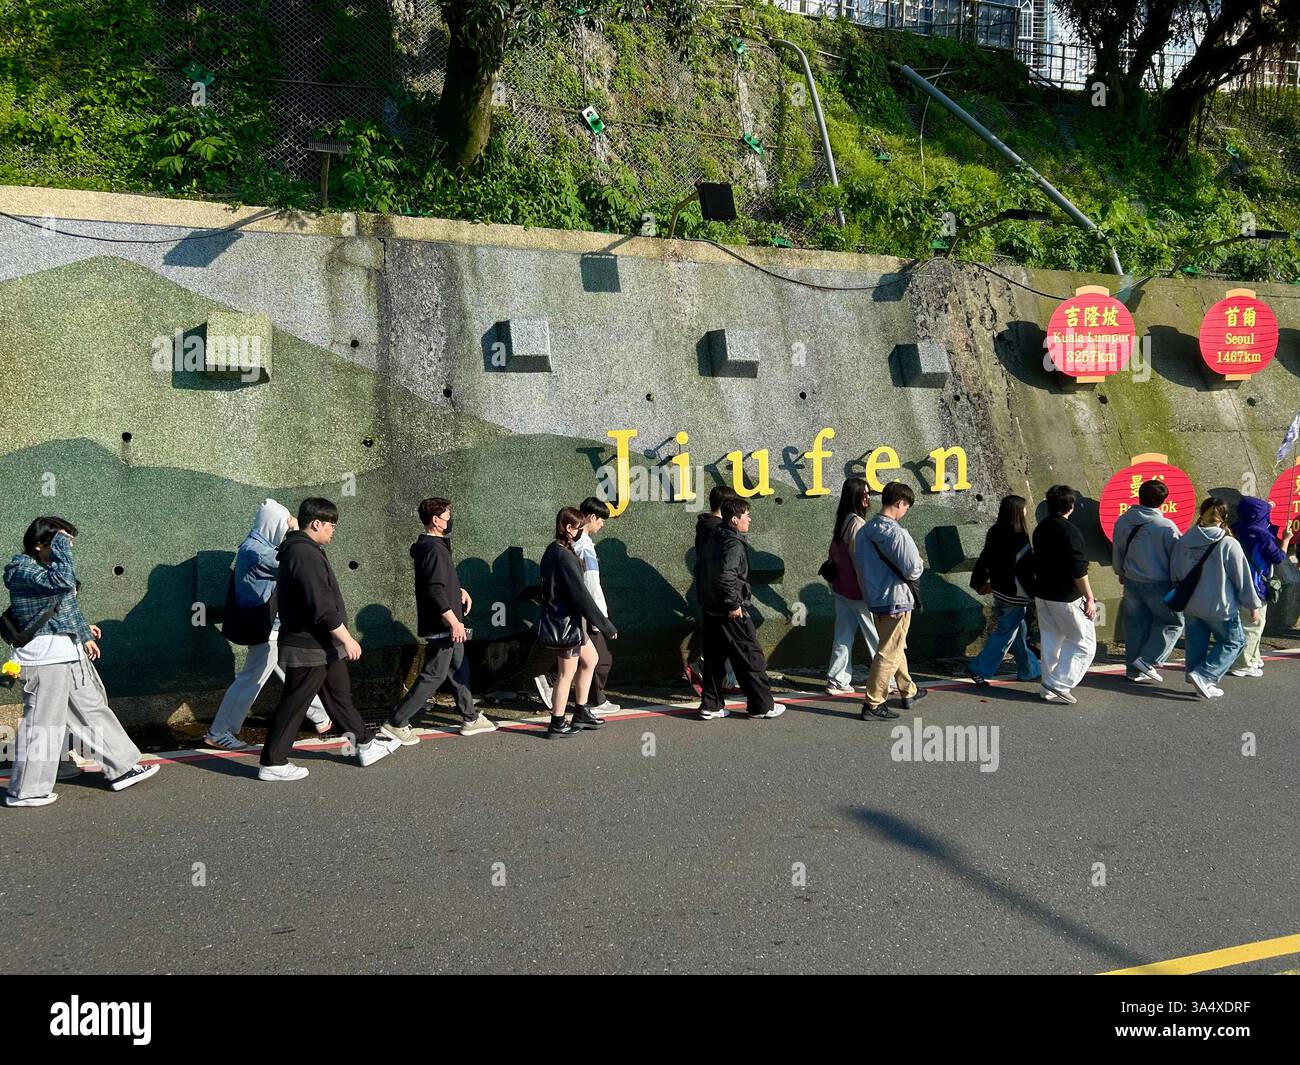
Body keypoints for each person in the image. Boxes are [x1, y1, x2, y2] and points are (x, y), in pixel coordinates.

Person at [3, 517, 159, 806]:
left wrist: (84, 632)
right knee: (43, 722)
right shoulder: (21, 568)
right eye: (61, 542)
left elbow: (67, 606)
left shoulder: (48, 567)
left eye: (69, 541)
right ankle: (26, 790)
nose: (68, 547)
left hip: (65, 652)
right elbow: (62, 583)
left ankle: (123, 767)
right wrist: (63, 546)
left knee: (91, 707)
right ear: (38, 544)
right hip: (44, 658)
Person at [258, 498, 401, 780]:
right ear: (316, 523)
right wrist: (347, 639)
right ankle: (272, 762)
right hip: (309, 645)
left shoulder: (304, 550)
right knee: (296, 701)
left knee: (338, 695)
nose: (334, 530)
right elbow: (321, 605)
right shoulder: (304, 553)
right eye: (332, 525)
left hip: (321, 644)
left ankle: (365, 743)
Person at [205, 500, 332, 750]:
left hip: (269, 624)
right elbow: (295, 563)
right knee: (251, 678)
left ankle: (321, 716)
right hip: (263, 625)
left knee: (289, 670)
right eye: (283, 526)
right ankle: (220, 731)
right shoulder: (257, 551)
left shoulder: (258, 544)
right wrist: (299, 531)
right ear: (272, 525)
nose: (286, 532)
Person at [380, 497, 496, 747]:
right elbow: (433, 589)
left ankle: (470, 718)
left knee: (458, 669)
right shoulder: (432, 549)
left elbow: (441, 583)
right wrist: (453, 621)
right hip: (443, 624)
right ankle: (397, 722)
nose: (450, 519)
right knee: (434, 674)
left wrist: (458, 590)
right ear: (435, 520)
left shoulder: (435, 546)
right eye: (447, 515)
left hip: (447, 622)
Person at [697, 499, 785, 720]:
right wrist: (733, 604)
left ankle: (711, 704)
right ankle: (762, 706)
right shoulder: (733, 543)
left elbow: (706, 572)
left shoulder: (713, 538)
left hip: (711, 609)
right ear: (734, 519)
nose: (749, 519)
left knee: (715, 658)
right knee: (750, 655)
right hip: (730, 611)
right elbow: (726, 576)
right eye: (746, 515)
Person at [538, 507, 618, 738]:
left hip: (567, 619)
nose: (583, 533)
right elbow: (581, 594)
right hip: (566, 622)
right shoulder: (563, 556)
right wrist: (604, 624)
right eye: (579, 529)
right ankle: (557, 723)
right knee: (566, 674)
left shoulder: (554, 550)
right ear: (569, 529)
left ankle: (581, 712)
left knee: (591, 659)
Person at [1171, 497, 1259, 699]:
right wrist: (1252, 604)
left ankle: (1199, 680)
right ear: (1224, 518)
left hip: (1191, 604)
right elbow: (1242, 578)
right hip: (1220, 606)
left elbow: (1174, 573)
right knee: (1234, 642)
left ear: (1200, 513)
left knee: (1196, 643)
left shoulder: (1184, 540)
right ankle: (1204, 675)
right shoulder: (1228, 543)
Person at [856, 481, 927, 720]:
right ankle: (874, 703)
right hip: (897, 597)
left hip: (876, 598)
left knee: (894, 646)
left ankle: (908, 691)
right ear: (900, 503)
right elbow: (912, 570)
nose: (906, 511)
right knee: (888, 651)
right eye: (907, 507)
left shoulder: (865, 531)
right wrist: (920, 565)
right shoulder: (897, 533)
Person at [1112, 479, 1183, 685]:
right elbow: (1177, 557)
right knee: (1173, 622)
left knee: (1135, 625)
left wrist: (1120, 571)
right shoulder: (1166, 526)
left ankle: (1133, 671)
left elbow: (1117, 549)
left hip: (1131, 580)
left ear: (1139, 495)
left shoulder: (1123, 520)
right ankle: (1148, 659)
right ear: (1163, 502)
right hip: (1159, 583)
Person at [1031, 484, 1097, 703]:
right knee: (1084, 643)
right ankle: (1059, 684)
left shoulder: (1041, 528)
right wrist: (1089, 597)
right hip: (1066, 596)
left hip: (1043, 593)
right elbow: (1079, 569)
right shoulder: (1070, 531)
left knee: (1052, 640)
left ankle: (1047, 687)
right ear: (1070, 506)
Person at [967, 494, 1041, 685]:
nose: (1026, 511)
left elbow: (985, 558)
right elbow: (1026, 571)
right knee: (1006, 633)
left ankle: (1029, 669)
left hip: (999, 590)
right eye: (1023, 508)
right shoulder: (1020, 538)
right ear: (1018, 511)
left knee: (1017, 631)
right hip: (1015, 594)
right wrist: (1035, 592)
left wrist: (979, 581)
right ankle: (979, 669)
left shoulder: (995, 531)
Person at [824, 477, 881, 695]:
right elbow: (860, 561)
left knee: (843, 634)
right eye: (864, 493)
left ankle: (837, 679)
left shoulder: (843, 520)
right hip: (857, 591)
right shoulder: (857, 523)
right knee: (876, 637)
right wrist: (870, 590)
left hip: (841, 588)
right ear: (855, 496)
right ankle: (889, 680)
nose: (868, 497)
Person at [684, 484, 740, 694]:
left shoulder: (705, 525)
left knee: (721, 635)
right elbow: (722, 567)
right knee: (726, 635)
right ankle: (703, 666)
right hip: (718, 593)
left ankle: (727, 680)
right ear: (726, 505)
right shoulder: (718, 530)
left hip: (708, 590)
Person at [1228, 496, 1291, 678]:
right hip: (1257, 586)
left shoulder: (1237, 528)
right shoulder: (1262, 535)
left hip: (1236, 583)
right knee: (1253, 626)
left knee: (1245, 623)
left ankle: (1253, 658)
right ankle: (1242, 664)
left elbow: (1256, 519)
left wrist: (1267, 507)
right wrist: (1286, 539)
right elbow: (1278, 557)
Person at [572, 497, 620, 714]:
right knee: (601, 659)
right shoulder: (584, 546)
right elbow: (591, 582)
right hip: (591, 611)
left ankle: (595, 700)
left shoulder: (580, 543)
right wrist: (600, 616)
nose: (602, 525)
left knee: (592, 658)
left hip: (585, 610)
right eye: (601, 520)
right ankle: (596, 701)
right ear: (591, 517)